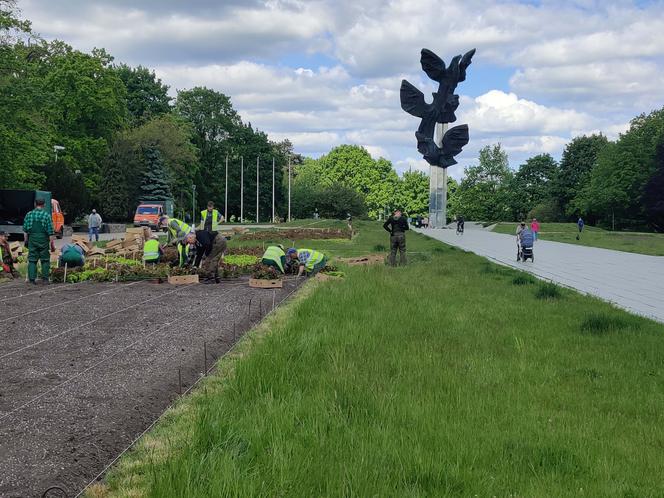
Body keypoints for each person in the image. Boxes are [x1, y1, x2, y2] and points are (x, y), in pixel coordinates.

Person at [23, 198, 55, 285]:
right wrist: (52, 244)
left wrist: (26, 241)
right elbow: (50, 232)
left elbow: (25, 231)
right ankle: (45, 279)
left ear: (35, 204)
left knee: (32, 260)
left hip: (32, 239)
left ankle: (32, 280)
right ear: (44, 204)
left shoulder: (29, 214)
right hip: (43, 240)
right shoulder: (46, 215)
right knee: (45, 260)